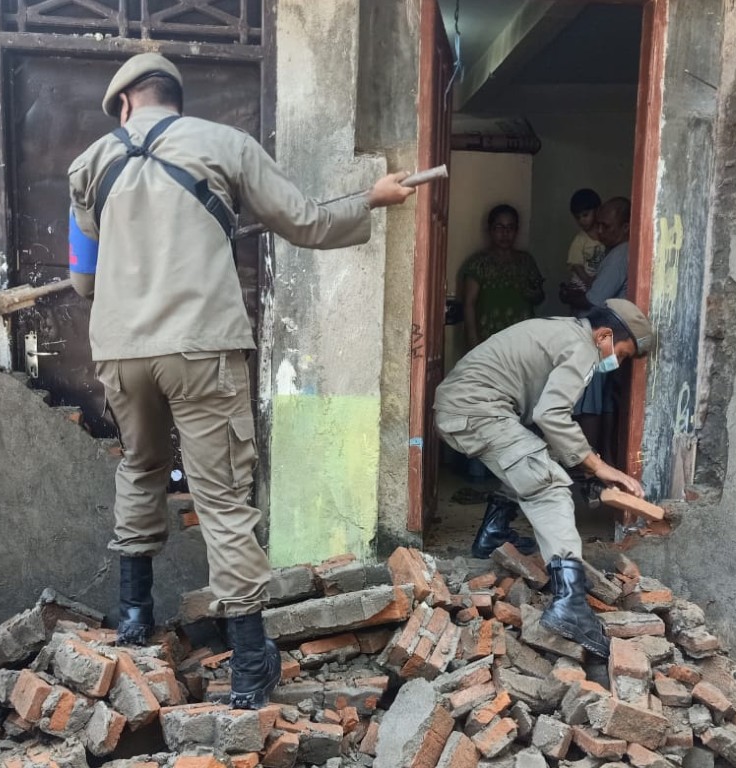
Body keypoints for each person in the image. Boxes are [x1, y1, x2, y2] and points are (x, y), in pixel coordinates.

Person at [66, 53, 414, 710]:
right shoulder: (225, 144)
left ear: (122, 105)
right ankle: (252, 663)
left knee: (141, 469)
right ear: (173, 96)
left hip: (119, 349)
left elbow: (83, 279)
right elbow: (306, 221)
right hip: (202, 345)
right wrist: (372, 199)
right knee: (222, 498)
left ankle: (135, 615)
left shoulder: (86, 166)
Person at [434, 299, 654, 658]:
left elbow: (546, 421)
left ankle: (493, 533)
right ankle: (569, 602)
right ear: (605, 335)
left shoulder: (565, 332)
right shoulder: (583, 348)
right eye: (624, 354)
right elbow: (552, 414)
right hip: (476, 411)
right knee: (548, 484)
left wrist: (583, 465)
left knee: (537, 457)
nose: (619, 363)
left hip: (466, 408)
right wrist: (600, 467)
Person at [562, 197, 632, 464]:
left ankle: (590, 465)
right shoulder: (618, 251)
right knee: (606, 402)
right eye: (598, 225)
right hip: (611, 334)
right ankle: (605, 461)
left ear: (626, 227)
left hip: (604, 335)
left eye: (606, 226)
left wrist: (571, 296)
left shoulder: (619, 254)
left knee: (591, 401)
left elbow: (593, 300)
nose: (599, 232)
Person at [461, 204, 544, 351]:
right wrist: (474, 345)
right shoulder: (478, 263)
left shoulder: (526, 261)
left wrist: (533, 292)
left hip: (522, 342)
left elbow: (539, 297)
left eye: (510, 228)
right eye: (499, 227)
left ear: (516, 230)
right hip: (488, 343)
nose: (505, 233)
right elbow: (469, 304)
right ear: (490, 230)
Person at [564, 188, 605, 290]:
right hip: (581, 284)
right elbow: (576, 265)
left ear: (598, 210)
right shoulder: (580, 240)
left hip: (598, 283)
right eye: (578, 217)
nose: (581, 220)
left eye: (585, 215)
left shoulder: (606, 235)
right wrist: (588, 281)